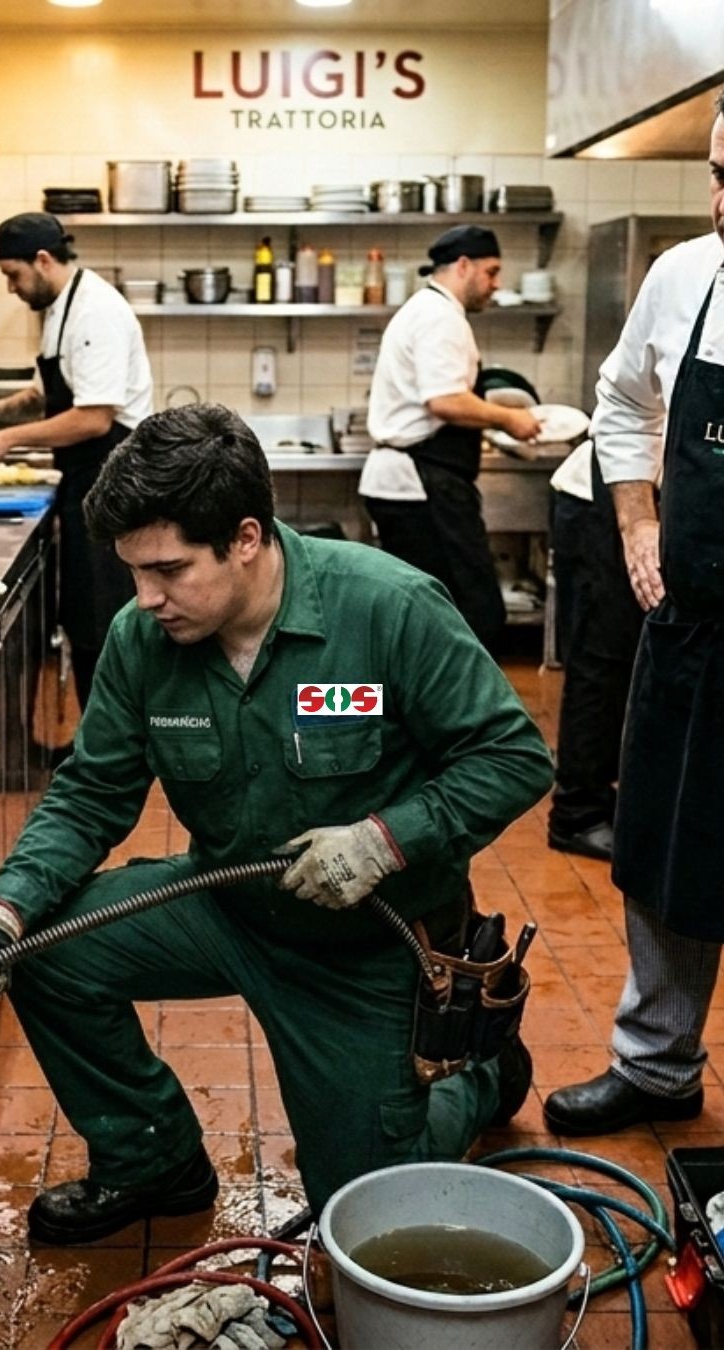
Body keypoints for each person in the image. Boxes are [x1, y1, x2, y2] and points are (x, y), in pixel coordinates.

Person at [0, 402, 554, 1245]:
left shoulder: (388, 608)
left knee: (361, 1209)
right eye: (132, 572)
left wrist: (384, 840)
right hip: (226, 904)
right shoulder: (140, 639)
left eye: (170, 570)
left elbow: (514, 758)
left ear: (247, 538)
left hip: (365, 946)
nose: (146, 599)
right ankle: (155, 1161)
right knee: (39, 950)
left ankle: (480, 1080)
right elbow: (91, 793)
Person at [543, 98, 724, 1137]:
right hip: (692, 625)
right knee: (661, 848)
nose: (720, 204)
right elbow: (620, 401)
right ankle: (658, 1067)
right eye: (716, 172)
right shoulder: (684, 276)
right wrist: (638, 519)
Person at [0, 212, 154, 708]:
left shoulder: (95, 311)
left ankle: (112, 749)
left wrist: (6, 441)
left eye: (14, 275)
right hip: (86, 480)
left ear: (43, 260)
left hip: (113, 482)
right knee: (83, 616)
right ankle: (91, 742)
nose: (12, 288)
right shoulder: (62, 308)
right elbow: (44, 394)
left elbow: (93, 418)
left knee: (102, 621)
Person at [360, 225, 543, 653]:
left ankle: (412, 714)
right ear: (463, 266)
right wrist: (509, 420)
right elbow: (443, 400)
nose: (496, 285)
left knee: (423, 619)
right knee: (469, 614)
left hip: (416, 483)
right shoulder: (440, 317)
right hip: (419, 487)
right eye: (492, 272)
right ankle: (448, 716)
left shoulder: (428, 310)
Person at [546, 440, 643, 861]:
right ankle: (577, 813)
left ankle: (606, 799)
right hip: (604, 501)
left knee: (627, 663)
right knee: (600, 660)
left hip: (641, 496)